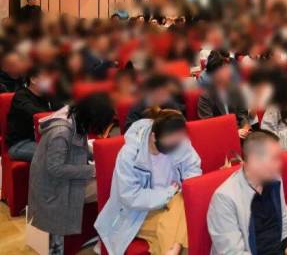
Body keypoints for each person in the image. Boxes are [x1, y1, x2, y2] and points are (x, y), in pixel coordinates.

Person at [95, 108, 202, 255]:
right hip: (138, 213)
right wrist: (169, 193)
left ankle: (173, 250)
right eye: (169, 142)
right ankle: (175, 248)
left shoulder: (179, 142)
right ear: (153, 137)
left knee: (179, 205)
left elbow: (193, 169)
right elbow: (130, 196)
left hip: (172, 203)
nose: (174, 146)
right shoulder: (130, 155)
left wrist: (182, 189)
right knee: (178, 222)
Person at [28, 93, 115, 254]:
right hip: (53, 187)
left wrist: (98, 155)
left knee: (110, 183)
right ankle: (106, 237)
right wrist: (93, 170)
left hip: (62, 178)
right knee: (109, 187)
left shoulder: (75, 119)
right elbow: (55, 169)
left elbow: (79, 148)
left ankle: (104, 236)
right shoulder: (61, 132)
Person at [207, 130, 287, 255]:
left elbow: (285, 220)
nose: (279, 164)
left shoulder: (274, 180)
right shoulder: (224, 198)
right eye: (274, 159)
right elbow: (233, 252)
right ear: (254, 160)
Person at [6, 65, 63, 161]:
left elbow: (64, 110)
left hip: (44, 140)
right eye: (46, 77)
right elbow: (37, 114)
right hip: (21, 144)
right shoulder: (21, 96)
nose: (49, 81)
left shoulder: (48, 96)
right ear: (33, 79)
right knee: (57, 153)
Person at [198, 51, 250, 137]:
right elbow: (208, 124)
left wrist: (245, 127)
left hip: (240, 131)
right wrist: (234, 132)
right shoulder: (206, 96)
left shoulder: (235, 89)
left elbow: (242, 114)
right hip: (220, 135)